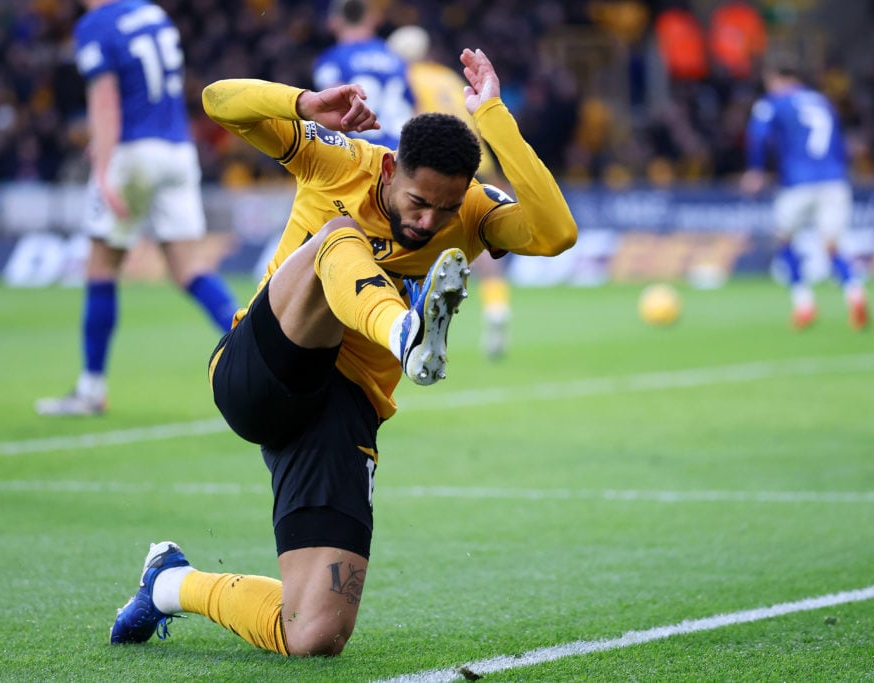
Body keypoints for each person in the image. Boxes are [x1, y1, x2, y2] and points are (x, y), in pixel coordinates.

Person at [107, 48, 577, 656]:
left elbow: (557, 232)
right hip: (262, 367)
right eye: (417, 202)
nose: (429, 221)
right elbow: (216, 99)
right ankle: (405, 333)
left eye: (444, 208)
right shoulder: (341, 161)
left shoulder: (473, 212)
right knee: (339, 233)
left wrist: (491, 114)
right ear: (390, 174)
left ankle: (168, 582)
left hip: (343, 408)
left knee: (314, 634)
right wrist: (301, 103)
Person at [35, 0, 240, 416]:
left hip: (132, 152)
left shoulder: (95, 25)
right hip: (177, 148)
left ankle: (91, 388)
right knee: (189, 269)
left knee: (102, 267)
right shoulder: (153, 13)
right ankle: (257, 353)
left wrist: (105, 165)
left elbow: (106, 100)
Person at [387, 24, 512, 359]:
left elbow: (410, 126)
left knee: (417, 231)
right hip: (477, 161)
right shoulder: (448, 77)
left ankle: (410, 317)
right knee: (482, 242)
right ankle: (497, 306)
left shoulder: (404, 78)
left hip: (436, 168)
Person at [741, 53, 868, 331]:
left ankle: (804, 305)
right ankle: (855, 295)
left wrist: (756, 170)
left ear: (774, 78)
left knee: (783, 242)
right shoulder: (822, 101)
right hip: (835, 180)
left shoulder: (772, 102)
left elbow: (758, 136)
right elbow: (841, 140)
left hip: (798, 183)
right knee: (833, 245)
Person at [312, 0, 415, 150]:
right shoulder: (397, 58)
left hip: (362, 156)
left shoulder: (330, 61)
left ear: (333, 22)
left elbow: (331, 109)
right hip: (401, 152)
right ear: (375, 19)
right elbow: (414, 108)